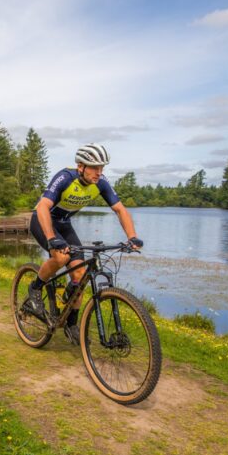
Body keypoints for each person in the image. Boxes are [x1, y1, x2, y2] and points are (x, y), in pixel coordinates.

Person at [25, 143, 143, 345]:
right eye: (94, 167)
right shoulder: (65, 177)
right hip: (42, 220)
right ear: (81, 166)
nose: (99, 172)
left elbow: (120, 210)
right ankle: (35, 288)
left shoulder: (101, 183)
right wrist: (52, 239)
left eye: (102, 168)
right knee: (61, 257)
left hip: (64, 224)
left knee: (79, 275)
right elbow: (44, 206)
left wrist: (132, 237)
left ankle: (71, 324)